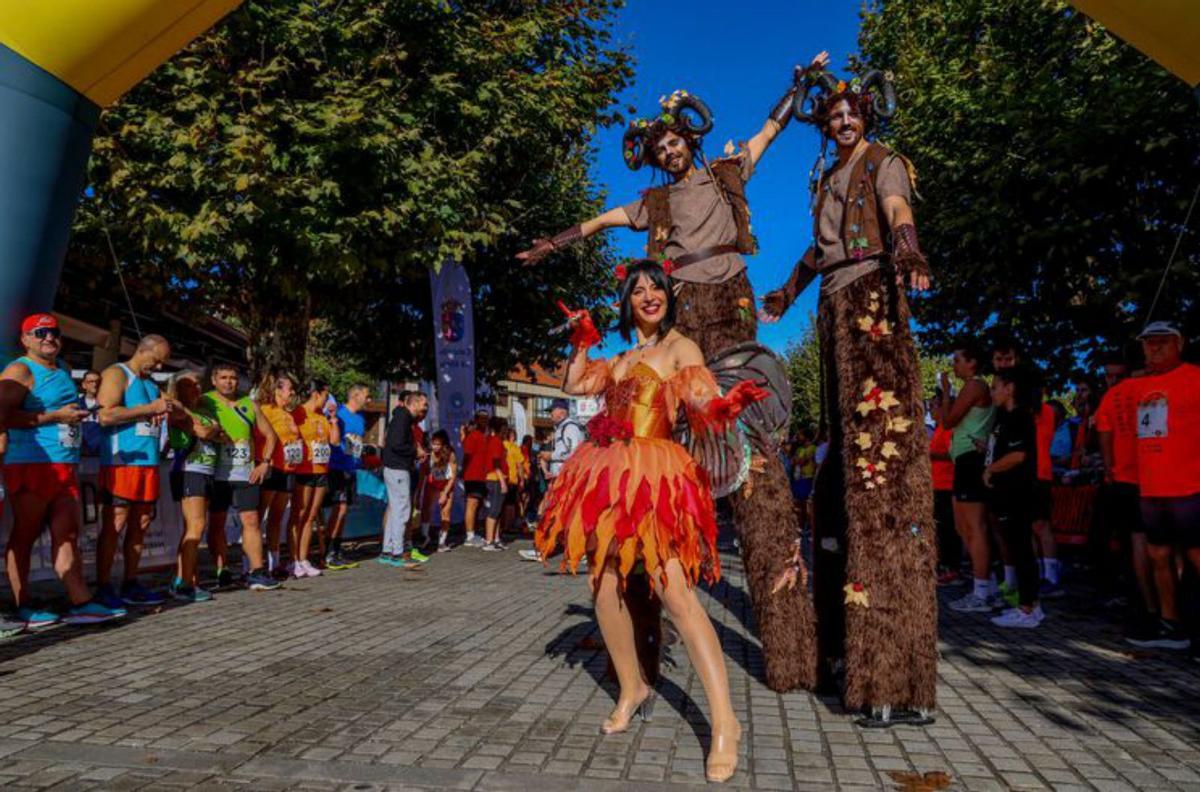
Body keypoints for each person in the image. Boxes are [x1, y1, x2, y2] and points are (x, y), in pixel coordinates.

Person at [519, 60, 828, 694]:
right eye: (660, 146)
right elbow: (605, 218)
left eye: (675, 140)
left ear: (691, 140)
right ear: (656, 155)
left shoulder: (726, 173)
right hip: (682, 328)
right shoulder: (653, 204)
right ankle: (640, 658)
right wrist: (554, 242)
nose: (669, 149)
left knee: (757, 472)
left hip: (731, 317)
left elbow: (770, 132)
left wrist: (796, 89)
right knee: (649, 477)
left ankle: (794, 655)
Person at [537, 260, 769, 782]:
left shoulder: (679, 348)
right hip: (608, 477)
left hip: (654, 479)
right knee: (604, 587)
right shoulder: (621, 356)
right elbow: (574, 385)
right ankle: (633, 687)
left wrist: (725, 405)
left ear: (668, 295)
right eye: (637, 290)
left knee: (676, 593)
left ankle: (726, 724)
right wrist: (581, 341)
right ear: (626, 301)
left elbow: (702, 403)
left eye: (655, 288)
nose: (648, 295)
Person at [762, 65, 937, 720]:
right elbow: (816, 250)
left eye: (850, 113)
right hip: (834, 308)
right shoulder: (826, 179)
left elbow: (896, 207)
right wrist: (785, 290)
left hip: (870, 300)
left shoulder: (883, 161)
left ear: (865, 116)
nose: (841, 121)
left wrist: (909, 250)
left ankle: (891, 668)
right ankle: (845, 650)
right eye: (832, 115)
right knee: (842, 479)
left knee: (880, 480)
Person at [0, 314, 125, 626]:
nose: (48, 338)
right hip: (31, 462)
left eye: (53, 332)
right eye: (39, 333)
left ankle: (80, 600)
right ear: (25, 339)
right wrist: (52, 418)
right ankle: (22, 603)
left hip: (65, 464)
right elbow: (2, 416)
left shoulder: (65, 369)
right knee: (25, 535)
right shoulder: (20, 370)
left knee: (67, 533)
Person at [1125, 321, 1200, 651]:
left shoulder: (1195, 378)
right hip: (1151, 489)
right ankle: (1171, 626)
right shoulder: (1136, 386)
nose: (1154, 348)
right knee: (1158, 556)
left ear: (1179, 344)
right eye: (1148, 343)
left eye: (1162, 343)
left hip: (1189, 487)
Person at [94, 335, 175, 609]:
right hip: (122, 462)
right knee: (115, 524)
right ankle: (103, 586)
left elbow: (169, 407)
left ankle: (131, 582)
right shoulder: (117, 373)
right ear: (143, 350)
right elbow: (105, 415)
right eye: (157, 360)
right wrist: (149, 409)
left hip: (148, 464)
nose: (159, 367)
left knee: (140, 525)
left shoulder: (151, 384)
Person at [992, 337, 1062, 599]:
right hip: (1019, 477)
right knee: (1023, 533)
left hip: (1038, 474)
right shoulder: (1009, 413)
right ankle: (1027, 583)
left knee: (1040, 526)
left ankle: (1050, 576)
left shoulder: (1037, 412)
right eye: (998, 360)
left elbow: (1025, 449)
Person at [1094, 347, 1155, 638]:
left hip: (1135, 479)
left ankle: (1150, 608)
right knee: (1150, 546)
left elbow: (1105, 438)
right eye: (1108, 376)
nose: (1112, 381)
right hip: (1141, 479)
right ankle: (1150, 606)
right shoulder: (1153, 389)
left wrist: (1109, 470)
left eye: (1117, 375)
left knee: (1140, 544)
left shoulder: (1116, 396)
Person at [203, 363, 280, 591]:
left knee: (252, 521)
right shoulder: (205, 401)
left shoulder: (249, 403)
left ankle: (256, 572)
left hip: (245, 473)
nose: (229, 382)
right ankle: (222, 569)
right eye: (224, 377)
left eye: (233, 378)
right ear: (214, 380)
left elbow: (271, 436)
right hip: (217, 474)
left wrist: (264, 463)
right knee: (217, 522)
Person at [983, 367, 1044, 628]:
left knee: (1022, 549)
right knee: (1014, 547)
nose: (993, 391)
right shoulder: (1002, 417)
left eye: (996, 386)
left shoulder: (1020, 417)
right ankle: (1026, 603)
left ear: (1010, 389)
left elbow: (1019, 455)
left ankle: (1028, 609)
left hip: (1019, 491)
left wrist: (991, 468)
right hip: (1003, 491)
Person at [941, 345, 996, 614]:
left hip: (972, 461)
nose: (954, 365)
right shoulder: (970, 386)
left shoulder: (975, 385)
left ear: (973, 363)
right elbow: (944, 420)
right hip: (962, 459)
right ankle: (988, 583)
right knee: (963, 527)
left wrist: (948, 392)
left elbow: (949, 420)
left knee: (975, 528)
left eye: (958, 360)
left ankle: (982, 591)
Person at [166, 370, 227, 602]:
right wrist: (210, 430)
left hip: (207, 469)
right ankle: (184, 585)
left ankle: (185, 578)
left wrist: (211, 431)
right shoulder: (178, 409)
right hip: (189, 469)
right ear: (179, 388)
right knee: (196, 526)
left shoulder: (204, 409)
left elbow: (222, 435)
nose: (197, 388)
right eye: (190, 384)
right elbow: (203, 431)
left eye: (198, 384)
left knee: (193, 528)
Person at [287, 379, 339, 577]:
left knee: (311, 516)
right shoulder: (299, 412)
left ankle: (303, 558)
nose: (327, 401)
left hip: (321, 470)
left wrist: (333, 420)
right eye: (326, 396)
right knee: (299, 515)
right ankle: (293, 559)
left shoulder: (323, 417)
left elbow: (334, 441)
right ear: (316, 394)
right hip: (303, 470)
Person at [255, 372, 302, 578]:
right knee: (258, 517)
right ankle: (252, 563)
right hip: (271, 468)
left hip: (288, 470)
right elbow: (260, 438)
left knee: (276, 517)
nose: (292, 392)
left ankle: (274, 562)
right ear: (276, 390)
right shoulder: (266, 410)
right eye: (288, 388)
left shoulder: (288, 413)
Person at [380, 391, 428, 566]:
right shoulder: (403, 419)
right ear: (414, 404)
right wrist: (416, 451)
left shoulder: (402, 418)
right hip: (398, 468)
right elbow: (396, 444)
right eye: (424, 405)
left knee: (395, 509)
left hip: (394, 467)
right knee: (402, 510)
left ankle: (388, 550)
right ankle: (397, 553)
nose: (425, 408)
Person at [325, 383, 369, 570]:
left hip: (352, 468)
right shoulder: (340, 413)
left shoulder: (360, 419)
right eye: (366, 396)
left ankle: (337, 548)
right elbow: (332, 439)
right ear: (355, 395)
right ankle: (329, 551)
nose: (369, 400)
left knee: (344, 511)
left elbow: (356, 443)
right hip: (337, 467)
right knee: (339, 509)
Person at [929, 396, 960, 585]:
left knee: (949, 529)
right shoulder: (938, 428)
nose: (930, 410)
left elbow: (952, 453)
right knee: (938, 527)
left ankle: (953, 568)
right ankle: (942, 564)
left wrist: (930, 454)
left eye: (932, 406)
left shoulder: (949, 428)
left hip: (947, 485)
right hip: (936, 484)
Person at [421, 429, 458, 553]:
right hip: (433, 483)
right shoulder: (428, 454)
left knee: (445, 512)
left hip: (446, 484)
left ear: (443, 445)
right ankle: (424, 537)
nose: (435, 446)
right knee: (426, 508)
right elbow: (424, 473)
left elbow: (453, 477)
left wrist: (445, 493)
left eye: (438, 444)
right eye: (433, 443)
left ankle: (442, 542)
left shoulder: (450, 455)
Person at [459, 410, 491, 548]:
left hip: (481, 476)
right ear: (477, 420)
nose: (485, 421)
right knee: (471, 504)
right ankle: (469, 536)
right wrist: (463, 471)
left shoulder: (485, 436)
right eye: (482, 418)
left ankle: (474, 533)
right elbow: (466, 456)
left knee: (477, 505)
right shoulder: (473, 436)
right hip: (472, 476)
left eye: (486, 418)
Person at [481, 416, 509, 551]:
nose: (506, 430)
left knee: (497, 511)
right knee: (494, 510)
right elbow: (496, 463)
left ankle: (496, 539)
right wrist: (503, 481)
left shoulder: (496, 441)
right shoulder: (496, 441)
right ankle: (489, 541)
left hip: (496, 478)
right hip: (495, 479)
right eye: (504, 427)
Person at [77, 368, 103, 457]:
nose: (95, 384)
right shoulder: (76, 405)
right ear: (84, 385)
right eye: (90, 382)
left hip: (101, 454)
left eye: (97, 381)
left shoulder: (107, 405)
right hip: (79, 454)